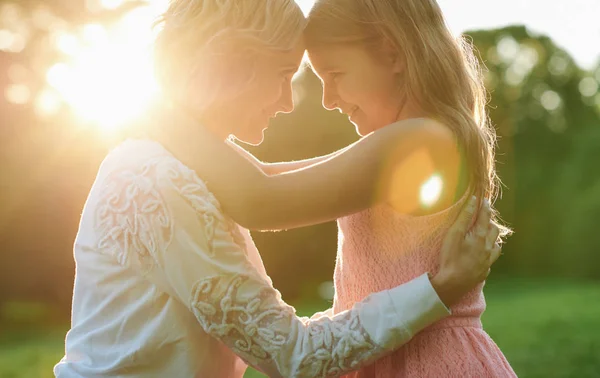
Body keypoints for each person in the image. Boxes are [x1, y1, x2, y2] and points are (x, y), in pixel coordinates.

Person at [54, 0, 502, 377]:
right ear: (233, 64)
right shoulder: (158, 176)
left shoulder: (421, 139)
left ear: (391, 54)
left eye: (336, 75)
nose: (317, 100)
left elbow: (263, 198)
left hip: (431, 362)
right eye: (288, 73)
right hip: (395, 354)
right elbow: (266, 179)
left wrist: (160, 116)